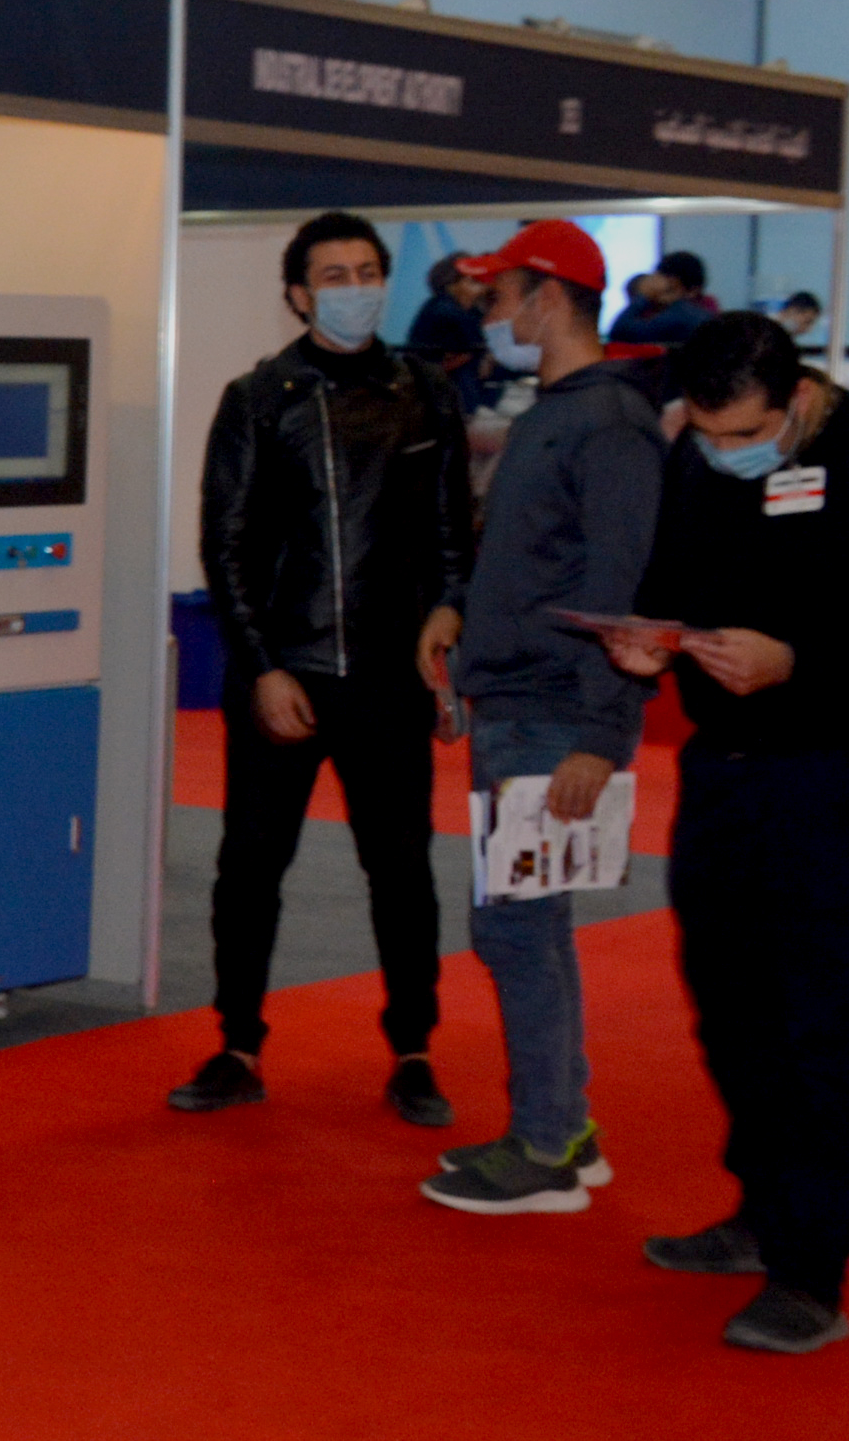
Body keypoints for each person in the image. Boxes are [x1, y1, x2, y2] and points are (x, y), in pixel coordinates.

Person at [619, 315, 849, 1352]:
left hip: (848, 767)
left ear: (793, 399)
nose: (717, 444)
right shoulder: (696, 455)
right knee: (726, 995)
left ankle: (811, 1266)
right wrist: (649, 633)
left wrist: (802, 664)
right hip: (727, 763)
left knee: (818, 1011)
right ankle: (759, 1210)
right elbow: (671, 575)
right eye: (700, 425)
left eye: (737, 428)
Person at [175, 212, 473, 1127]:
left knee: (402, 870)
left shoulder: (425, 390)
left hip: (390, 675)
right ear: (300, 296)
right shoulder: (259, 397)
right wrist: (261, 666)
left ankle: (415, 1049)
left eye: (367, 270)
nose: (355, 287)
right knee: (251, 866)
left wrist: (448, 609)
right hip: (285, 672)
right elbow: (222, 547)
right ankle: (236, 1044)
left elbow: (454, 529)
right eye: (333, 275)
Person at [413, 222, 660, 1217]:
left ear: (545, 296)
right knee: (524, 924)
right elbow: (532, 561)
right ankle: (561, 1123)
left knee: (514, 925)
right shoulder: (560, 414)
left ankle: (548, 1141)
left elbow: (619, 585)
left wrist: (600, 737)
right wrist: (458, 621)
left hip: (552, 712)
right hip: (517, 701)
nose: (489, 315)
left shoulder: (603, 425)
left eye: (498, 295)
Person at [404, 253, 493, 417]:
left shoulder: (470, 311)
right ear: (452, 284)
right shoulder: (445, 311)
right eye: (473, 282)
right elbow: (467, 353)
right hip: (447, 400)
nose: (482, 288)